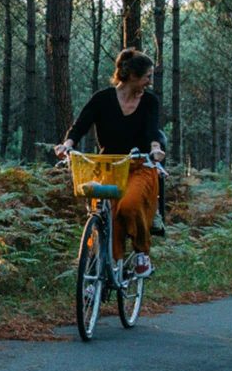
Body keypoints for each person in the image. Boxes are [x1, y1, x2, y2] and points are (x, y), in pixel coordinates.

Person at [55, 48, 164, 278]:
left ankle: (142, 253)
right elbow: (80, 125)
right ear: (133, 76)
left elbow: (153, 130)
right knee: (108, 219)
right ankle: (103, 273)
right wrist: (68, 144)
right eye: (148, 76)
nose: (150, 82)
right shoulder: (103, 99)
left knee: (130, 204)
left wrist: (155, 149)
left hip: (140, 166)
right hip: (109, 168)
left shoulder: (150, 101)